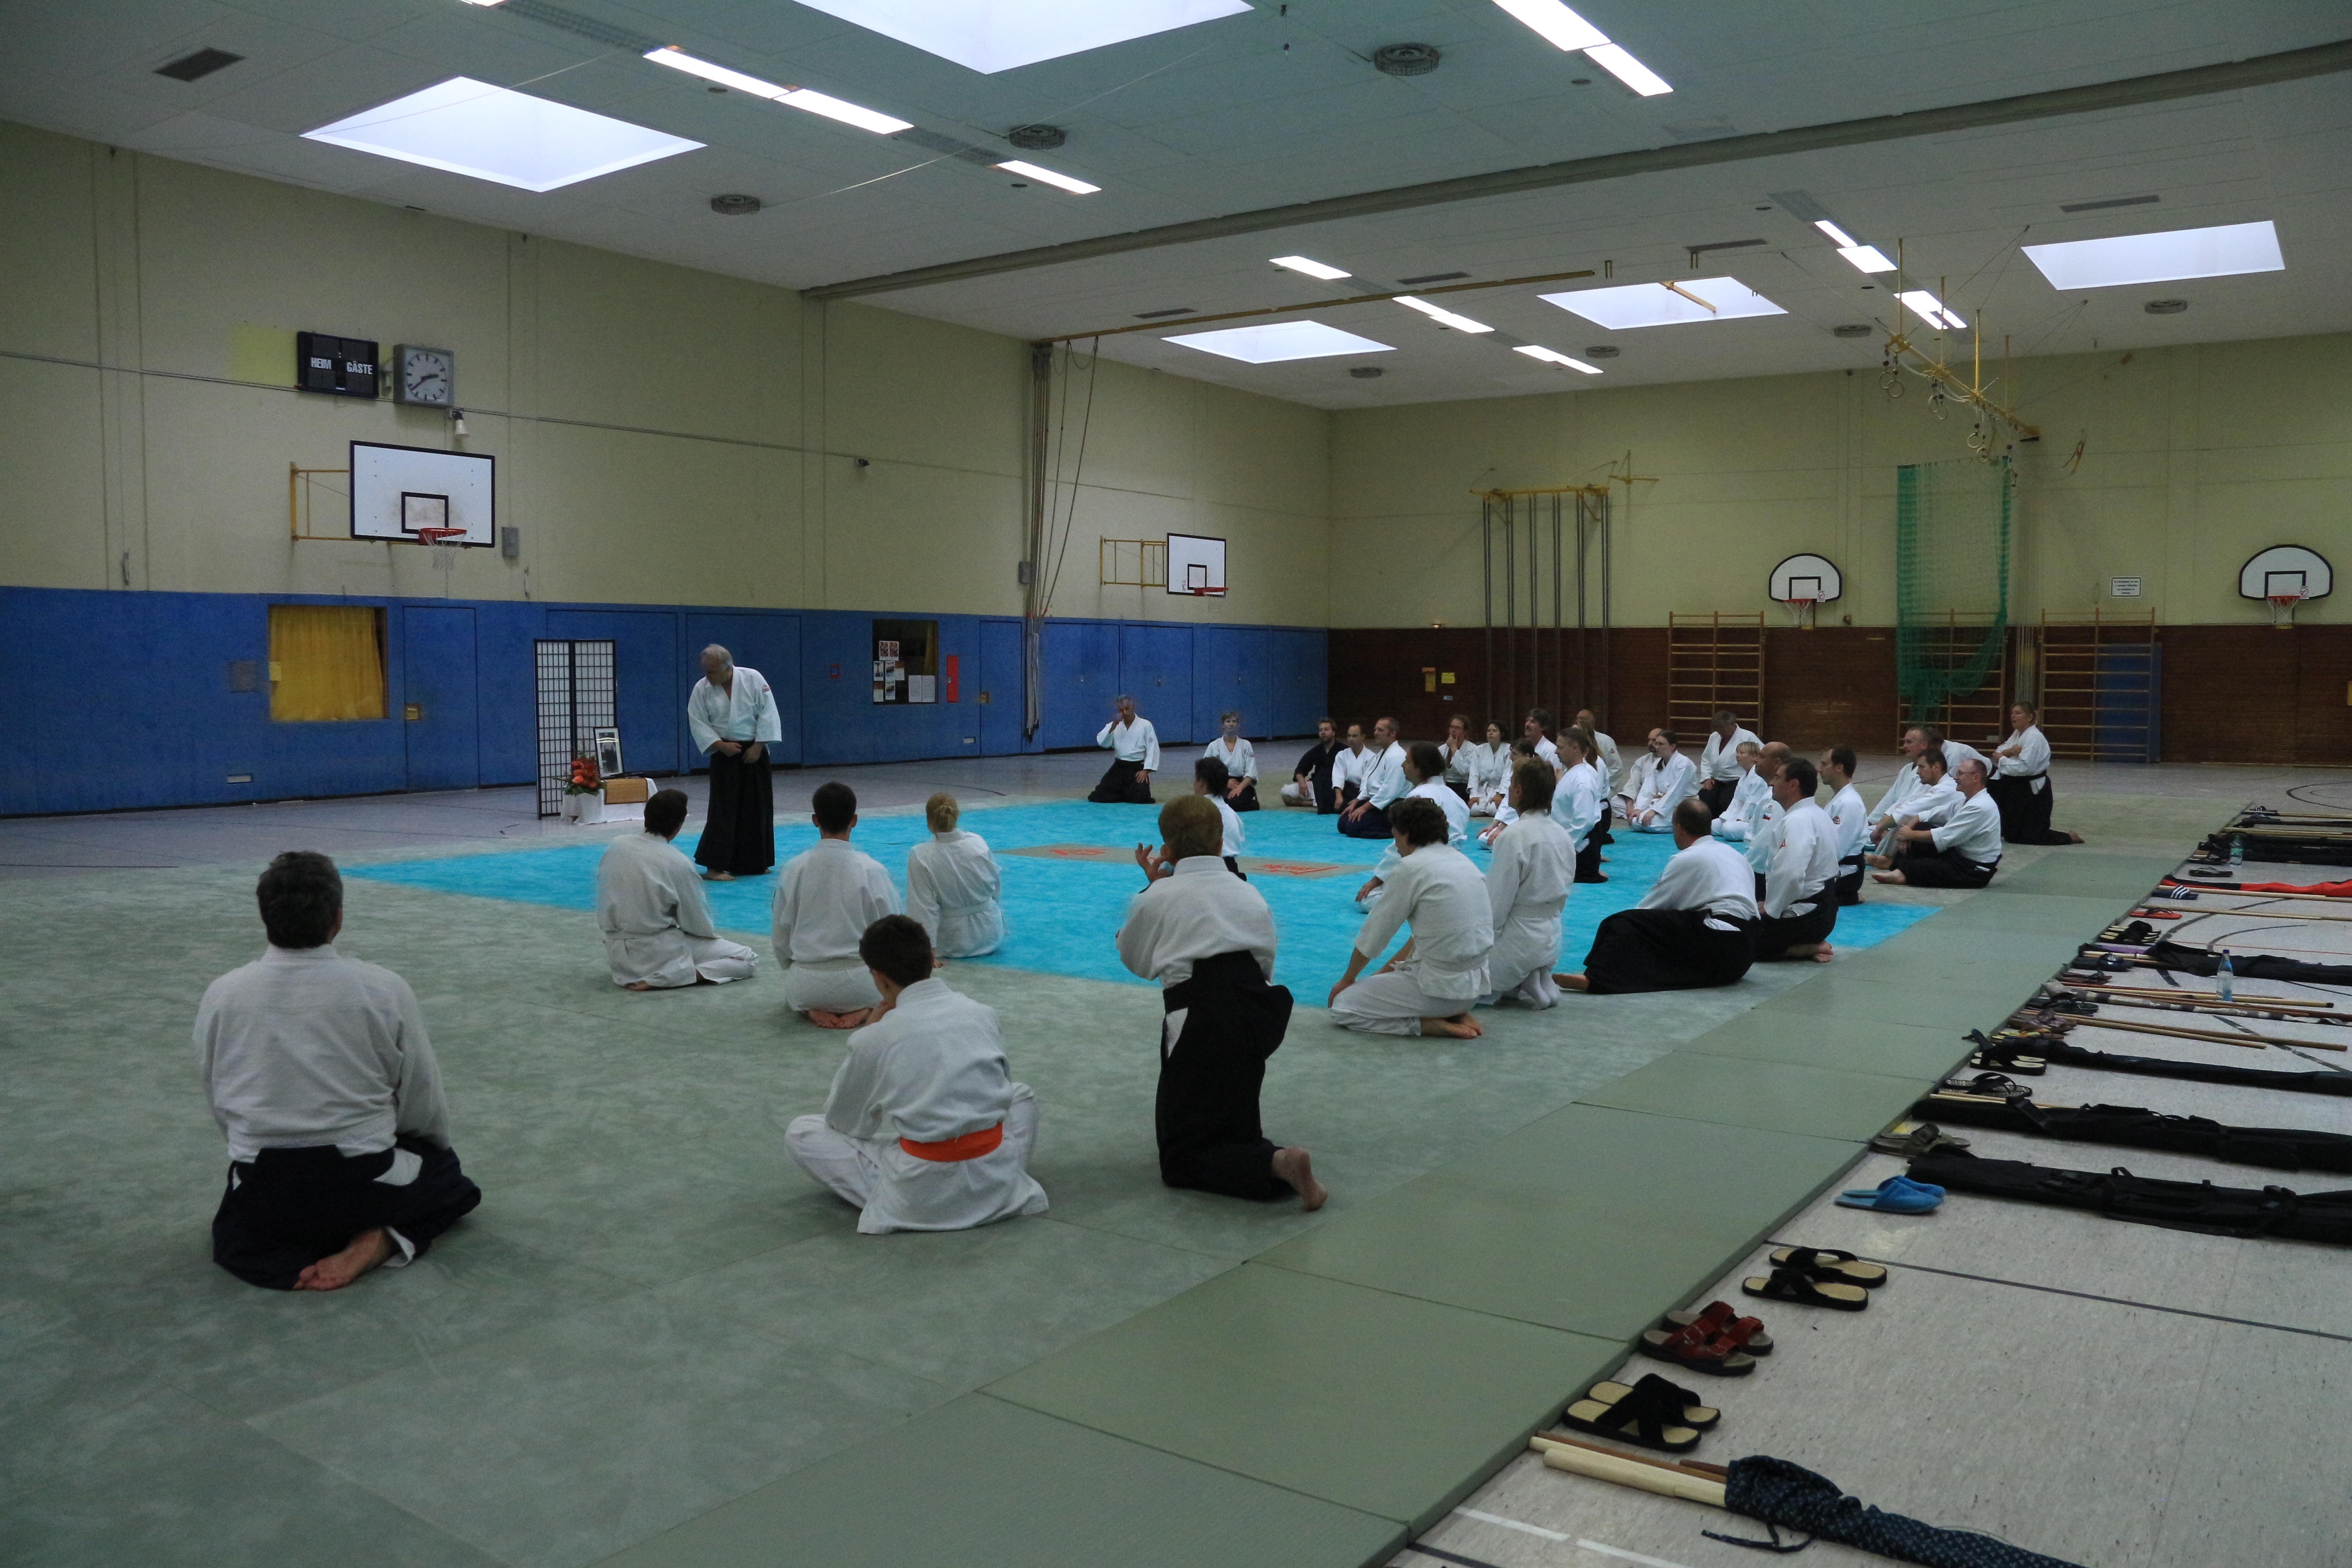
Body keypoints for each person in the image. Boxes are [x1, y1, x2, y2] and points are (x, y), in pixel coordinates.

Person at [195, 851, 481, 1291]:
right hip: (362, 1187)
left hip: (266, 1190)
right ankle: (378, 1239)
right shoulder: (384, 989)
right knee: (445, 1175)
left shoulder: (223, 994)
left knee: (249, 1212)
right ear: (338, 918)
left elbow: (219, 1096)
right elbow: (421, 1100)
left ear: (264, 916)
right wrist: (425, 1147)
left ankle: (293, 1244)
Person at [1117, 796, 1326, 1209]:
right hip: (1260, 1012)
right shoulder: (1248, 892)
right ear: (1219, 845)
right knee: (1235, 1114)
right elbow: (1266, 959)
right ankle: (1262, 1153)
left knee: (1181, 1157)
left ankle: (1278, 1163)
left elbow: (1136, 960)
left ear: (1167, 850)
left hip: (1199, 1019)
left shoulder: (1157, 896)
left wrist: (1153, 887)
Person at [784, 915, 1047, 1234]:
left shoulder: (875, 1037)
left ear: (879, 977)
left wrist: (868, 1034)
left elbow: (847, 1123)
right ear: (931, 958)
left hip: (921, 1190)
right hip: (997, 1175)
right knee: (1020, 1095)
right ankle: (991, 1181)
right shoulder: (981, 1013)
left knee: (803, 1132)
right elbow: (996, 1097)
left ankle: (911, 1197)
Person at [1328, 797, 1493, 1038]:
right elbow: (1418, 940)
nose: (1396, 847)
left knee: (1343, 1006)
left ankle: (1427, 1024)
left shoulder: (1411, 868)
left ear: (1405, 836)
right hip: (1473, 991)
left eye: (1395, 839)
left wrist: (1347, 980)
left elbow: (1375, 934)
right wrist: (1380, 976)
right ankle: (1454, 1012)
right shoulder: (1465, 863)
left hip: (1438, 991)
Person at [1555, 799, 1757, 995]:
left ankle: (1597, 977)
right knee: (1666, 928)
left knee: (1622, 924)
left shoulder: (1688, 858)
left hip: (1722, 942)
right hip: (1746, 951)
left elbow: (1649, 908)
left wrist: (1626, 921)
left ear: (1679, 828)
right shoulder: (1736, 856)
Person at [597, 788, 761, 989]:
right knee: (747, 958)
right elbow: (696, 922)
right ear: (679, 825)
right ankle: (674, 976)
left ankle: (663, 973)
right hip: (656, 952)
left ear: (646, 816)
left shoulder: (616, 846)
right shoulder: (677, 862)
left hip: (618, 955)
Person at [772, 782, 900, 1027]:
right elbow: (893, 933)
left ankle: (811, 1009)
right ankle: (866, 1009)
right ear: (854, 820)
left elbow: (781, 937)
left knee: (798, 984)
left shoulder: (794, 869)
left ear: (815, 820)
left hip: (807, 986)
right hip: (865, 984)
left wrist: (795, 968)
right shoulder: (873, 870)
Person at [1481, 760, 1575, 1007]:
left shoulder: (1513, 836)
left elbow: (1498, 901)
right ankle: (1536, 976)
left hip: (1517, 940)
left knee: (1462, 972)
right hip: (1551, 937)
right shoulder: (1563, 835)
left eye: (1511, 785)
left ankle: (1524, 978)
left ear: (1519, 791)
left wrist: (1483, 937)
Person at [687, 644, 782, 880]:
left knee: (757, 807)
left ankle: (754, 863)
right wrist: (721, 746)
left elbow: (768, 712)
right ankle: (715, 867)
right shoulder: (702, 688)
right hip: (724, 752)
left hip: (755, 749)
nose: (708, 676)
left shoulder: (753, 678)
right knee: (723, 809)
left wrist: (758, 746)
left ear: (728, 667)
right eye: (705, 671)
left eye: (712, 671)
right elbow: (698, 721)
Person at [1352, 742, 1468, 908]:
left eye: (1407, 761)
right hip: (1455, 870)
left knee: (1367, 899)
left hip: (1426, 869)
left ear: (1419, 769)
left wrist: (1377, 880)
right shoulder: (1457, 799)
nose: (1403, 765)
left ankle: (1423, 904)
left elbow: (1401, 845)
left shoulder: (1418, 797)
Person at [1751, 758, 1839, 964]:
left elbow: (1790, 874)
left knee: (1736, 941)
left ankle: (1804, 948)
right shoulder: (1818, 814)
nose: (1772, 783)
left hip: (1808, 916)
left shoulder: (1798, 820)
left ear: (1793, 785)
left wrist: (1771, 908)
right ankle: (1805, 943)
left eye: (1777, 778)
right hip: (1821, 911)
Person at [1875, 756, 2004, 888]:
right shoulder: (1966, 801)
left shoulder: (1980, 806)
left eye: (1960, 773)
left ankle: (1902, 873)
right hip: (1959, 856)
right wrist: (1911, 826)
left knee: (1924, 866)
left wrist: (1909, 835)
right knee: (1921, 826)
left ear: (1976, 777)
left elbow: (1946, 835)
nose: (1956, 778)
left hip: (1974, 869)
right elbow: (1933, 814)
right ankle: (1894, 864)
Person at [906, 792, 1003, 958]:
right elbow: (995, 888)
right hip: (990, 934)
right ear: (957, 816)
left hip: (953, 942)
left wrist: (927, 949)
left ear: (929, 821)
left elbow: (923, 906)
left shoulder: (921, 855)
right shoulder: (978, 842)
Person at [1990, 701, 2085, 845]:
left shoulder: (2034, 737)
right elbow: (1997, 753)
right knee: (2012, 834)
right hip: (2016, 785)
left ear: (2030, 717)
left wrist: (2003, 758)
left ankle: (2070, 837)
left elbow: (2024, 767)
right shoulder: (2017, 734)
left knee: (2031, 835)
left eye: (2018, 713)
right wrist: (2010, 752)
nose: (2013, 716)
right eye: (2012, 713)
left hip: (2032, 789)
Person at [1868, 749, 1954, 865]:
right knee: (1907, 824)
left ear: (1936, 767)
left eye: (1922, 767)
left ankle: (1891, 860)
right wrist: (1882, 829)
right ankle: (1890, 858)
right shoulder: (1933, 786)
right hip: (1942, 836)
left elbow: (1906, 813)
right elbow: (1903, 804)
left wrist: (1878, 831)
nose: (1918, 772)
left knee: (1910, 825)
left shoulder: (1945, 789)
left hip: (1952, 844)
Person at [1338, 716, 1408, 839]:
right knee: (1343, 824)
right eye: (1376, 730)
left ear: (1393, 733)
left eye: (1380, 730)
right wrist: (1358, 801)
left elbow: (1390, 792)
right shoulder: (1381, 754)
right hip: (1376, 802)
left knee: (1352, 828)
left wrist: (1365, 808)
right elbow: (1369, 782)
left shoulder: (1397, 756)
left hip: (1391, 806)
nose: (1375, 733)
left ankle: (1396, 830)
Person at [1553, 729, 1607, 882]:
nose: (1556, 752)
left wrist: (1562, 850)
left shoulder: (1583, 781)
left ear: (1575, 748)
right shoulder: (1572, 773)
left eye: (1560, 747)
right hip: (1567, 843)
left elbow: (1584, 822)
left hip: (1579, 850)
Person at [1820, 747, 1870, 906]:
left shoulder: (1849, 803)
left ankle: (1849, 895)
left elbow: (1837, 850)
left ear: (1839, 768)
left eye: (1824, 764)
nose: (1819, 769)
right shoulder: (1840, 798)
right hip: (1834, 867)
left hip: (1846, 873)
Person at [1089, 695, 1159, 804]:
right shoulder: (1114, 725)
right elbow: (1103, 743)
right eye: (1121, 710)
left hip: (1137, 768)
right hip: (1119, 767)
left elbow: (1153, 748)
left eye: (1127, 709)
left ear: (1133, 707)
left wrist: (1146, 771)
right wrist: (1114, 725)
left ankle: (1126, 793)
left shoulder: (1146, 725)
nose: (1125, 713)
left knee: (1141, 798)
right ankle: (1124, 794)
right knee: (1099, 796)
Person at [1627, 729, 1698, 832]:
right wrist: (1639, 809)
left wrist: (1654, 811)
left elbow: (1675, 792)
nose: (1657, 747)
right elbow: (1648, 790)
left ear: (1673, 747)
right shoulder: (1657, 764)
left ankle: (1685, 824)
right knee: (1634, 822)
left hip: (1683, 805)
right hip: (1663, 803)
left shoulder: (1684, 764)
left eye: (1661, 744)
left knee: (1648, 825)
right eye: (1656, 744)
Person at [1694, 710, 1761, 817]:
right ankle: (1706, 822)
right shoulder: (1715, 736)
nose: (1721, 733)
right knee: (1705, 798)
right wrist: (1707, 778)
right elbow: (1706, 758)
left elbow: (1761, 755)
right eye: (1719, 731)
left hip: (1737, 779)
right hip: (1716, 780)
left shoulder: (1747, 736)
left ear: (1732, 724)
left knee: (1725, 802)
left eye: (1723, 730)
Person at [1194, 756, 1249, 874]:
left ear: (1201, 783)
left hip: (1204, 869)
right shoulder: (1232, 814)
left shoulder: (1193, 811)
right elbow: (1239, 841)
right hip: (1232, 870)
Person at [1707, 741, 1768, 845]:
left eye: (1742, 753)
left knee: (1729, 829)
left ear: (1755, 757)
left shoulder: (1759, 778)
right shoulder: (1743, 778)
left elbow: (1752, 803)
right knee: (1712, 826)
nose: (1738, 756)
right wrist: (1728, 817)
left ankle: (1751, 832)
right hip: (1738, 817)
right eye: (1737, 753)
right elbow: (1736, 801)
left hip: (1752, 820)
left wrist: (1740, 820)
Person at [1281, 719, 1344, 811]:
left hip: (1336, 788)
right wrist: (1302, 781)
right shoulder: (1316, 750)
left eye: (1326, 730)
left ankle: (1312, 803)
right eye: (1321, 730)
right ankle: (1316, 802)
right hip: (1317, 787)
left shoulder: (1344, 750)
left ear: (1334, 732)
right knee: (1286, 791)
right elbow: (1300, 770)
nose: (1323, 732)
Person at [1204, 711, 1260, 812]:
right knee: (1213, 801)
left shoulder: (1246, 745)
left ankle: (1250, 804)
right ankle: (1249, 805)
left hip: (1241, 783)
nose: (1231, 724)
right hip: (1220, 783)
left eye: (1234, 722)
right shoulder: (1214, 746)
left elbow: (1251, 773)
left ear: (1238, 725)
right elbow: (1206, 770)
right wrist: (1224, 783)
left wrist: (1239, 788)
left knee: (1234, 801)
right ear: (1223, 725)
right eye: (1228, 721)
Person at [1465, 720, 1513, 817]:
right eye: (1489, 731)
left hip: (1500, 789)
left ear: (1502, 734)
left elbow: (1507, 775)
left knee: (1493, 810)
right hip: (1483, 789)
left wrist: (1501, 794)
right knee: (1475, 810)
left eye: (1495, 731)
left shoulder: (1508, 750)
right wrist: (1474, 795)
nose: (1491, 733)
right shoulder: (1479, 750)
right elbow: (1474, 774)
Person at [1330, 721, 1372, 810]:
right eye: (1349, 736)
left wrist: (1358, 799)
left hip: (1362, 794)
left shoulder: (1371, 757)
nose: (1351, 739)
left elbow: (1367, 781)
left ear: (1363, 737)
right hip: (1345, 791)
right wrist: (1339, 796)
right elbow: (1338, 776)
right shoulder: (1341, 755)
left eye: (1354, 736)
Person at [1440, 714, 1475, 799]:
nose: (1453, 731)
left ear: (1465, 732)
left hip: (1463, 786)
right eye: (1452, 727)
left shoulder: (1473, 750)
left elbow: (1464, 771)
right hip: (1444, 785)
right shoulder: (1442, 749)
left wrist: (1454, 749)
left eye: (1458, 728)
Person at [1523, 709, 1564, 775]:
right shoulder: (1522, 746)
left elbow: (1555, 776)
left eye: (1533, 722)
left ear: (1543, 728)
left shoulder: (1551, 750)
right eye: (1527, 721)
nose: (1527, 725)